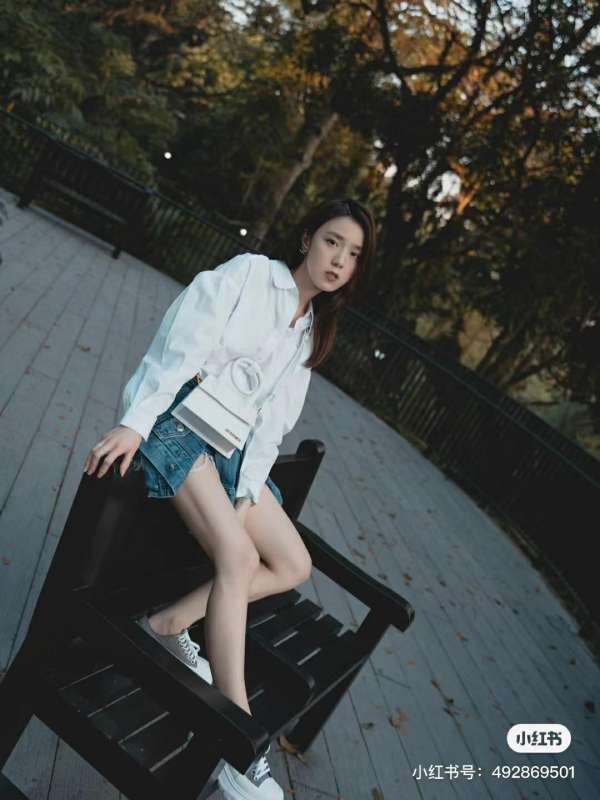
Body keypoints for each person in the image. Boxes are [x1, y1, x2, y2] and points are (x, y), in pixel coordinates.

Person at [83, 196, 376, 800]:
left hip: (231, 450)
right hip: (180, 423)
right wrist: (136, 422)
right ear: (306, 239)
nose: (338, 260)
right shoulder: (249, 275)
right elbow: (181, 344)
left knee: (293, 563)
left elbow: (270, 427)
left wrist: (245, 494)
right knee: (238, 558)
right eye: (331, 242)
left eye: (351, 255)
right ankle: (237, 743)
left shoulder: (309, 334)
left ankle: (170, 622)